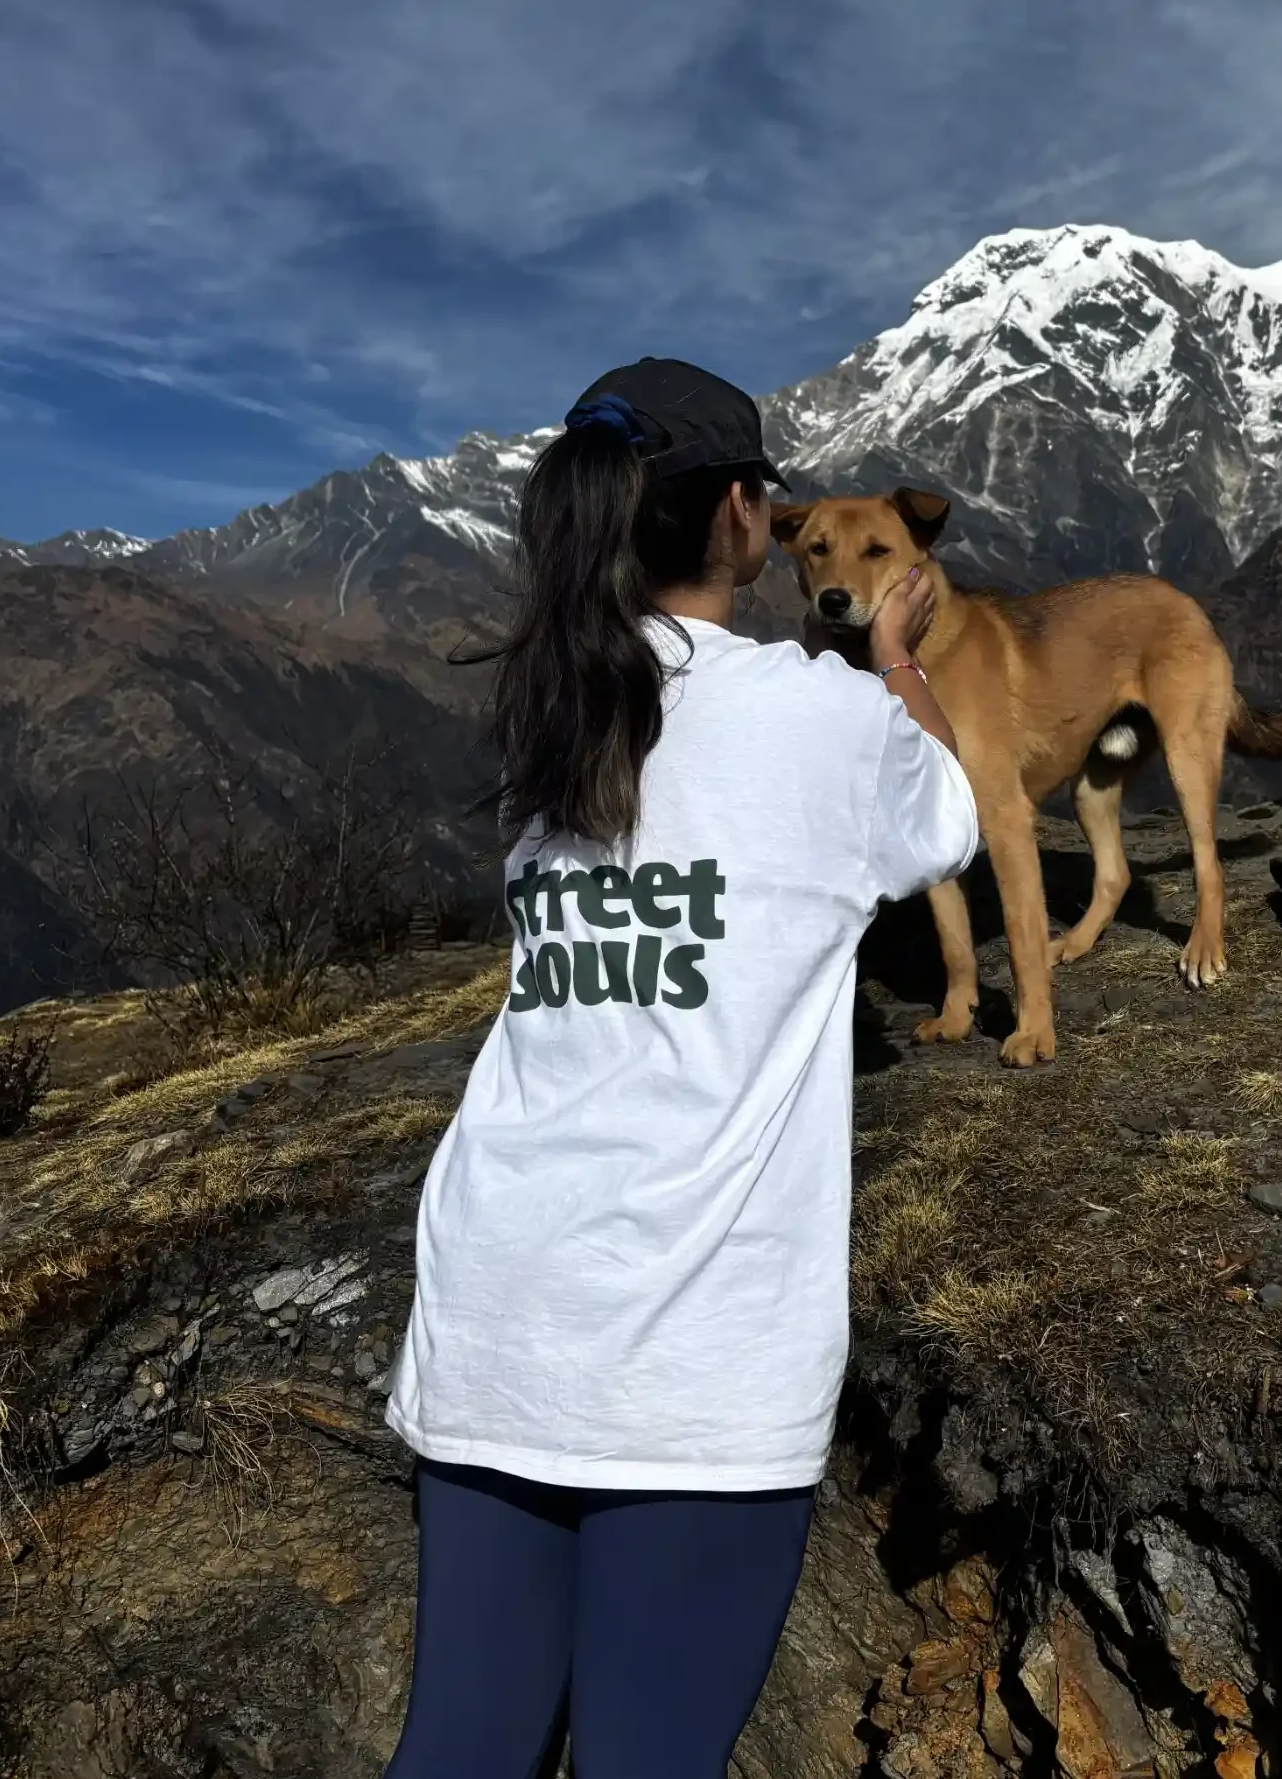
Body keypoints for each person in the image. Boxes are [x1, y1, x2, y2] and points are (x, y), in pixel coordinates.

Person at [383, 356, 978, 1779]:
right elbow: (945, 821)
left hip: (493, 1303)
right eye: (770, 502)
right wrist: (896, 658)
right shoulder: (815, 716)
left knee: (460, 1748)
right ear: (737, 519)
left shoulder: (551, 709)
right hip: (693, 1342)